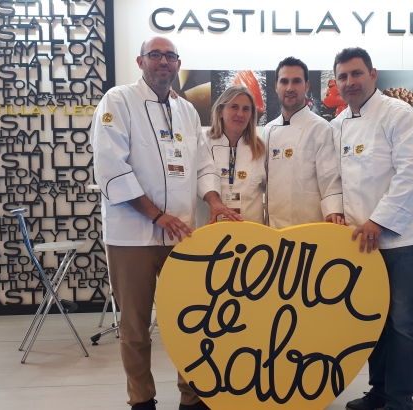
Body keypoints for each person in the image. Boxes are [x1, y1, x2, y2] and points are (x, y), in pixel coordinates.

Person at [90, 36, 239, 410]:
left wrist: (214, 201)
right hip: (133, 236)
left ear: (178, 64)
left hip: (181, 234)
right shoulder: (117, 101)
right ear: (141, 61)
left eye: (170, 56)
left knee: (190, 321)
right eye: (155, 55)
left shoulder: (186, 110)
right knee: (135, 326)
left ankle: (192, 396)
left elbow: (203, 164)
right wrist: (156, 215)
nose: (163, 61)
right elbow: (110, 167)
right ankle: (142, 400)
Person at [330, 47, 413, 410]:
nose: (350, 82)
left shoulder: (398, 113)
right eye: (343, 76)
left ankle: (400, 400)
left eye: (356, 73)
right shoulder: (338, 125)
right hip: (359, 240)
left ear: (373, 75)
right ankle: (380, 391)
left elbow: (410, 173)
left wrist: (378, 220)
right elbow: (336, 179)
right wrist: (336, 214)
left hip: (398, 239)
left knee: (401, 323)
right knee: (373, 320)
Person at [262, 57, 344, 228]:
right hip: (273, 230)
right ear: (276, 86)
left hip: (309, 227)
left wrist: (334, 212)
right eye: (284, 81)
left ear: (306, 86)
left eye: (296, 81)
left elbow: (330, 179)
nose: (290, 88)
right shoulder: (268, 130)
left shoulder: (320, 127)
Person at [197, 85, 266, 225]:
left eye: (246, 109)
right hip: (210, 229)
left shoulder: (260, 149)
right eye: (234, 107)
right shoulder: (203, 141)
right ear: (220, 111)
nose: (240, 114)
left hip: (251, 229)